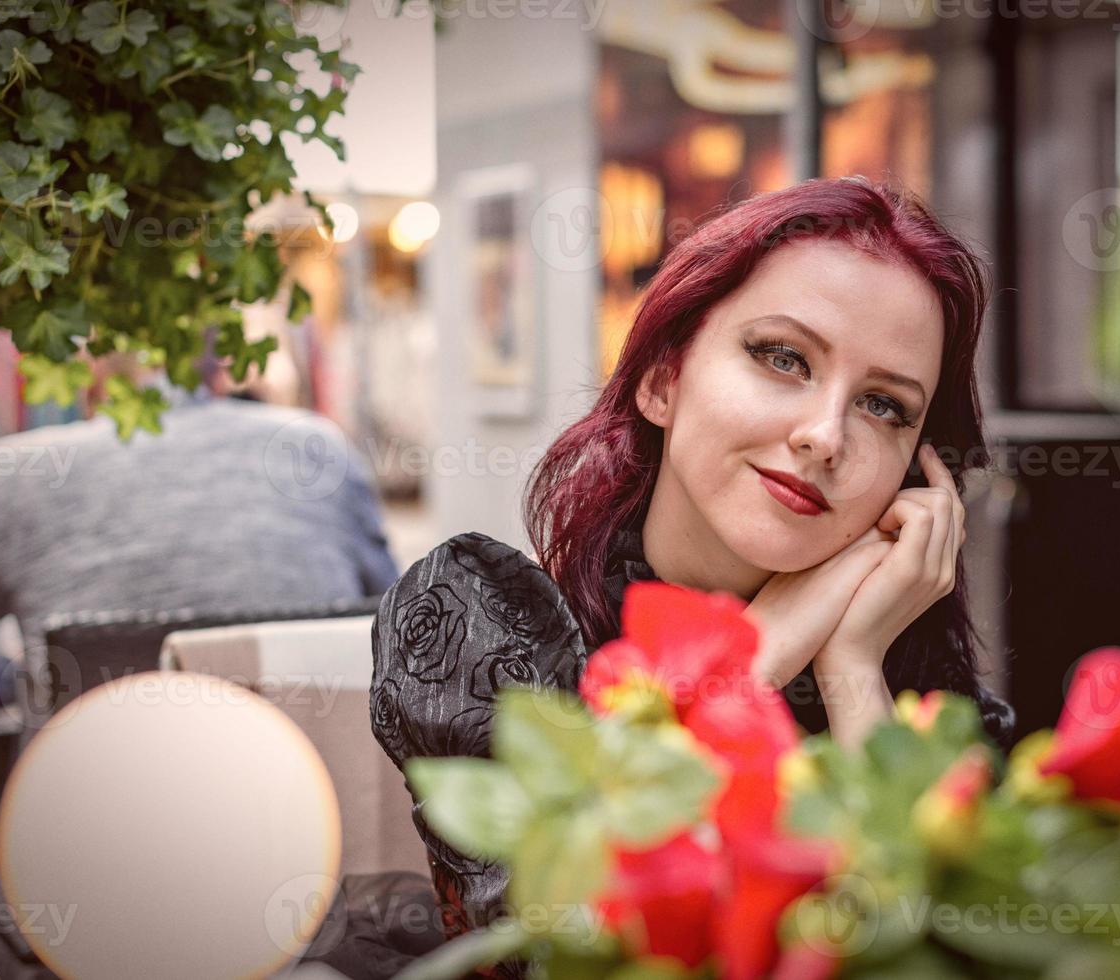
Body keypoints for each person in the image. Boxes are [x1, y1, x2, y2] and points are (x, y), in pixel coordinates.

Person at [369, 177, 1014, 971]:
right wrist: (757, 656)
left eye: (883, 406)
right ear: (662, 378)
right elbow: (565, 945)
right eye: (783, 358)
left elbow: (955, 958)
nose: (824, 435)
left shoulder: (906, 686)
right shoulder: (481, 620)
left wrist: (850, 669)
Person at [0, 359, 400, 727]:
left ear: (83, 354)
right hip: (322, 823)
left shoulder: (9, 477)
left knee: (10, 675)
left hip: (94, 836)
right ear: (223, 353)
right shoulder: (317, 450)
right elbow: (398, 637)